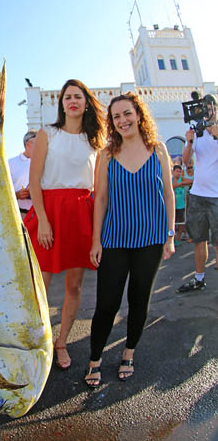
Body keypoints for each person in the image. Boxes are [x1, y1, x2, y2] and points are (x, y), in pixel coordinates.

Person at [84, 93, 175, 387]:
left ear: (139, 114)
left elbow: (169, 194)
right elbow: (100, 199)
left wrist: (170, 235)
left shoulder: (157, 149)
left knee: (139, 302)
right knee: (106, 305)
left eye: (127, 114)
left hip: (151, 239)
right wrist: (96, 240)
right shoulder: (107, 154)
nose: (123, 121)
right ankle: (95, 359)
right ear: (112, 123)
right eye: (116, 117)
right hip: (114, 240)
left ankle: (128, 353)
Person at [25, 79, 106, 370]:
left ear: (86, 103)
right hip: (49, 213)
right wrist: (44, 221)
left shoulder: (95, 141)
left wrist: (96, 235)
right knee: (40, 286)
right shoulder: (48, 134)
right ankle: (39, 343)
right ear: (61, 103)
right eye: (67, 96)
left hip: (80, 216)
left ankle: (61, 342)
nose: (72, 101)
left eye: (78, 96)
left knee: (74, 287)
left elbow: (98, 191)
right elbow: (34, 181)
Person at [178, 109, 218, 293]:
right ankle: (199, 279)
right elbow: (186, 161)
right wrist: (189, 141)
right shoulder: (197, 132)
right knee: (199, 240)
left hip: (216, 196)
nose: (207, 112)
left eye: (211, 108)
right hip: (198, 195)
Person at [8, 131, 37, 218]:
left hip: (41, 215)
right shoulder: (10, 164)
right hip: (19, 215)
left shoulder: (45, 163)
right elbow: (1, 190)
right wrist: (17, 195)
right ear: (28, 145)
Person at [171, 163, 192, 244]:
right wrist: (176, 185)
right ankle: (171, 238)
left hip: (181, 205)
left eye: (180, 171)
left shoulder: (182, 179)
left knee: (181, 222)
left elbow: (191, 181)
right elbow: (170, 186)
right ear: (173, 172)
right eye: (177, 171)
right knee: (172, 222)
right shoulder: (170, 179)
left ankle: (178, 238)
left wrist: (180, 184)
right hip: (173, 205)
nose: (178, 173)